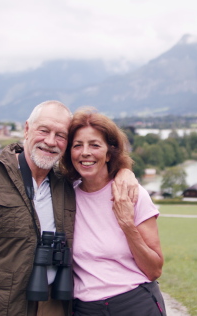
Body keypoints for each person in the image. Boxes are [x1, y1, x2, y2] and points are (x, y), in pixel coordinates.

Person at [0, 100, 139, 316]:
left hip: (54, 304)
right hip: (0, 306)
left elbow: (99, 173)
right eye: (43, 130)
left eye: (61, 135)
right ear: (27, 129)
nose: (50, 141)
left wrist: (124, 172)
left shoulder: (66, 182)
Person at [59, 107, 165, 315]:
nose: (85, 152)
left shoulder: (132, 194)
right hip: (85, 308)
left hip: (135, 304)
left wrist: (127, 225)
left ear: (109, 153)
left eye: (95, 145)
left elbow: (154, 270)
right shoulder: (64, 196)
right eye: (77, 145)